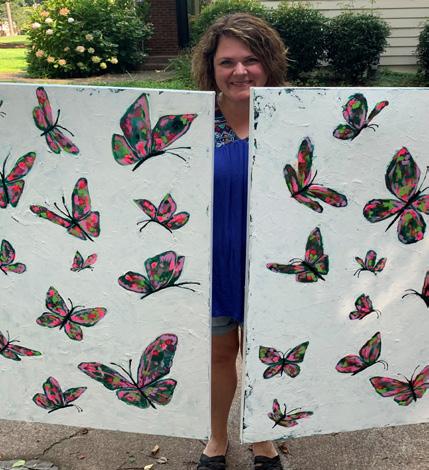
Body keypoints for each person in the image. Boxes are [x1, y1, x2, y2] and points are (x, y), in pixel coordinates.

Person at [192, 13, 288, 470]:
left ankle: (263, 438)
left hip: (276, 263)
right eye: (227, 62)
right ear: (211, 68)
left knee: (265, 352)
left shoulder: (293, 119)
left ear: (268, 64)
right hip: (211, 262)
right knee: (220, 352)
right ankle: (217, 437)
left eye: (251, 60)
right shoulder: (190, 124)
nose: (240, 71)